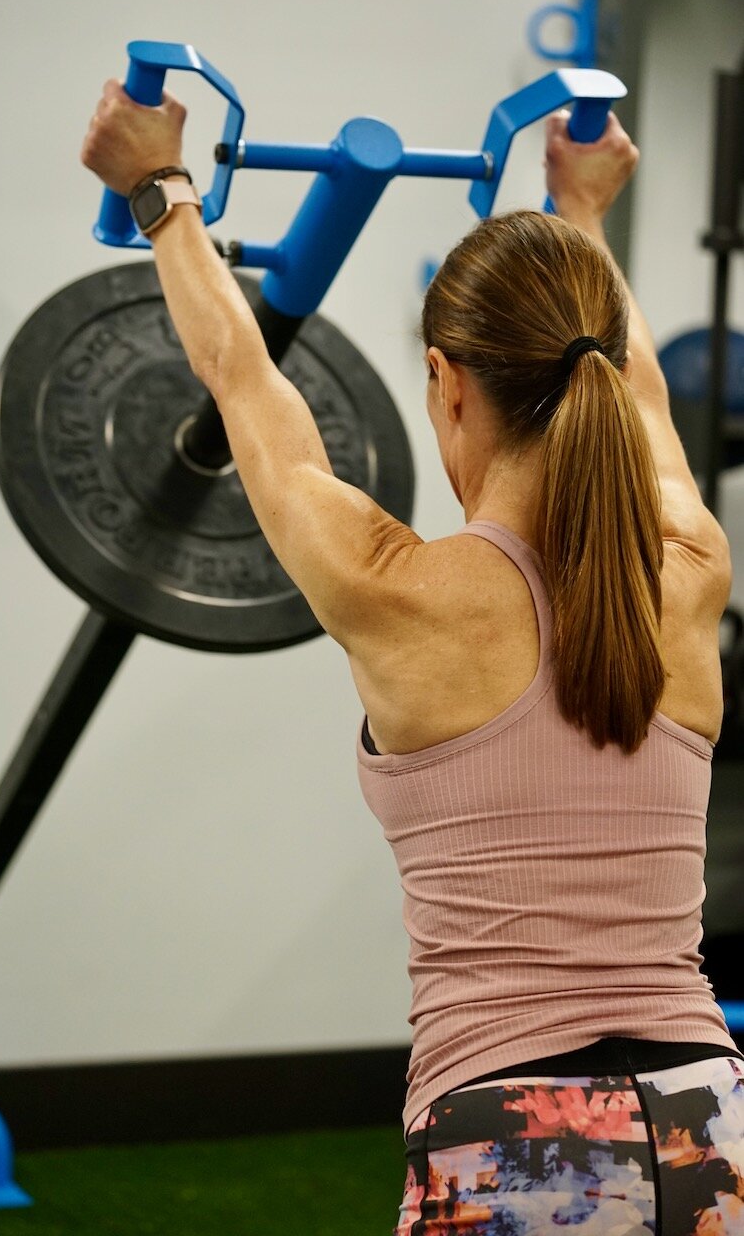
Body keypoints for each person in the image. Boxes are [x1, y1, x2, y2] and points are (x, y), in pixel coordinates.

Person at [82, 83, 744, 1233]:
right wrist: (578, 215)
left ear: (444, 381)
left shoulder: (396, 591)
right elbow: (632, 389)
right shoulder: (691, 567)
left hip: (512, 1130)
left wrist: (161, 192)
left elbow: (245, 383)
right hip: (708, 1118)